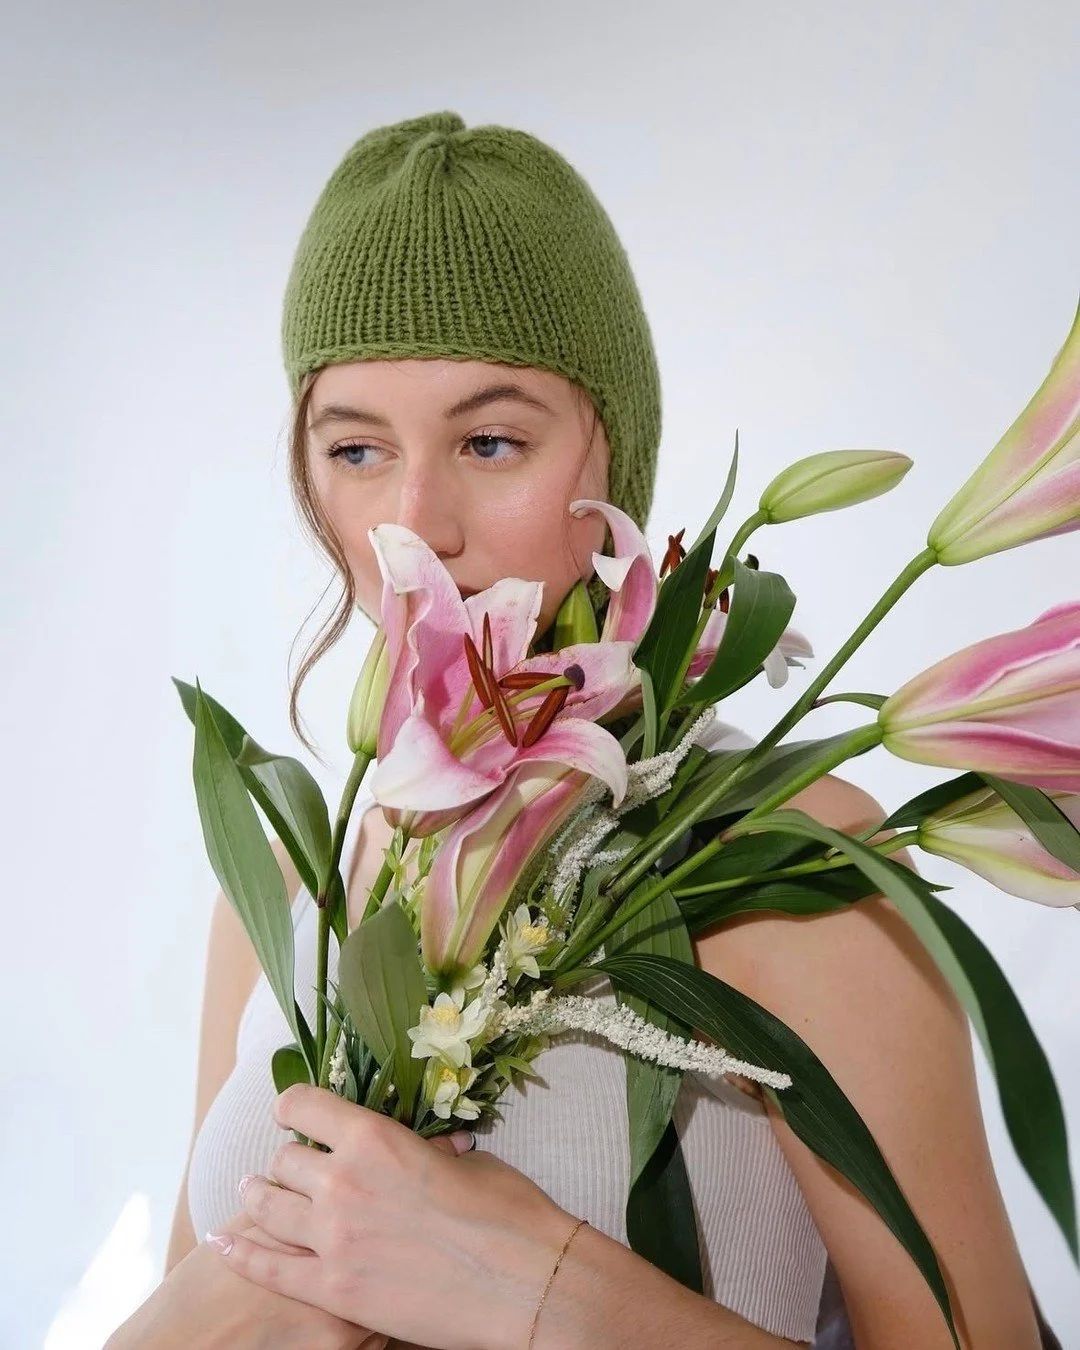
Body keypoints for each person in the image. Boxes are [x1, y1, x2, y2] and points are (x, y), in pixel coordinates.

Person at [108, 110, 1048, 1350]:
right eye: (355, 448)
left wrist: (533, 1283)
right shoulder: (289, 871)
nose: (415, 523)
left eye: (491, 441)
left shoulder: (783, 861)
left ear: (617, 462)